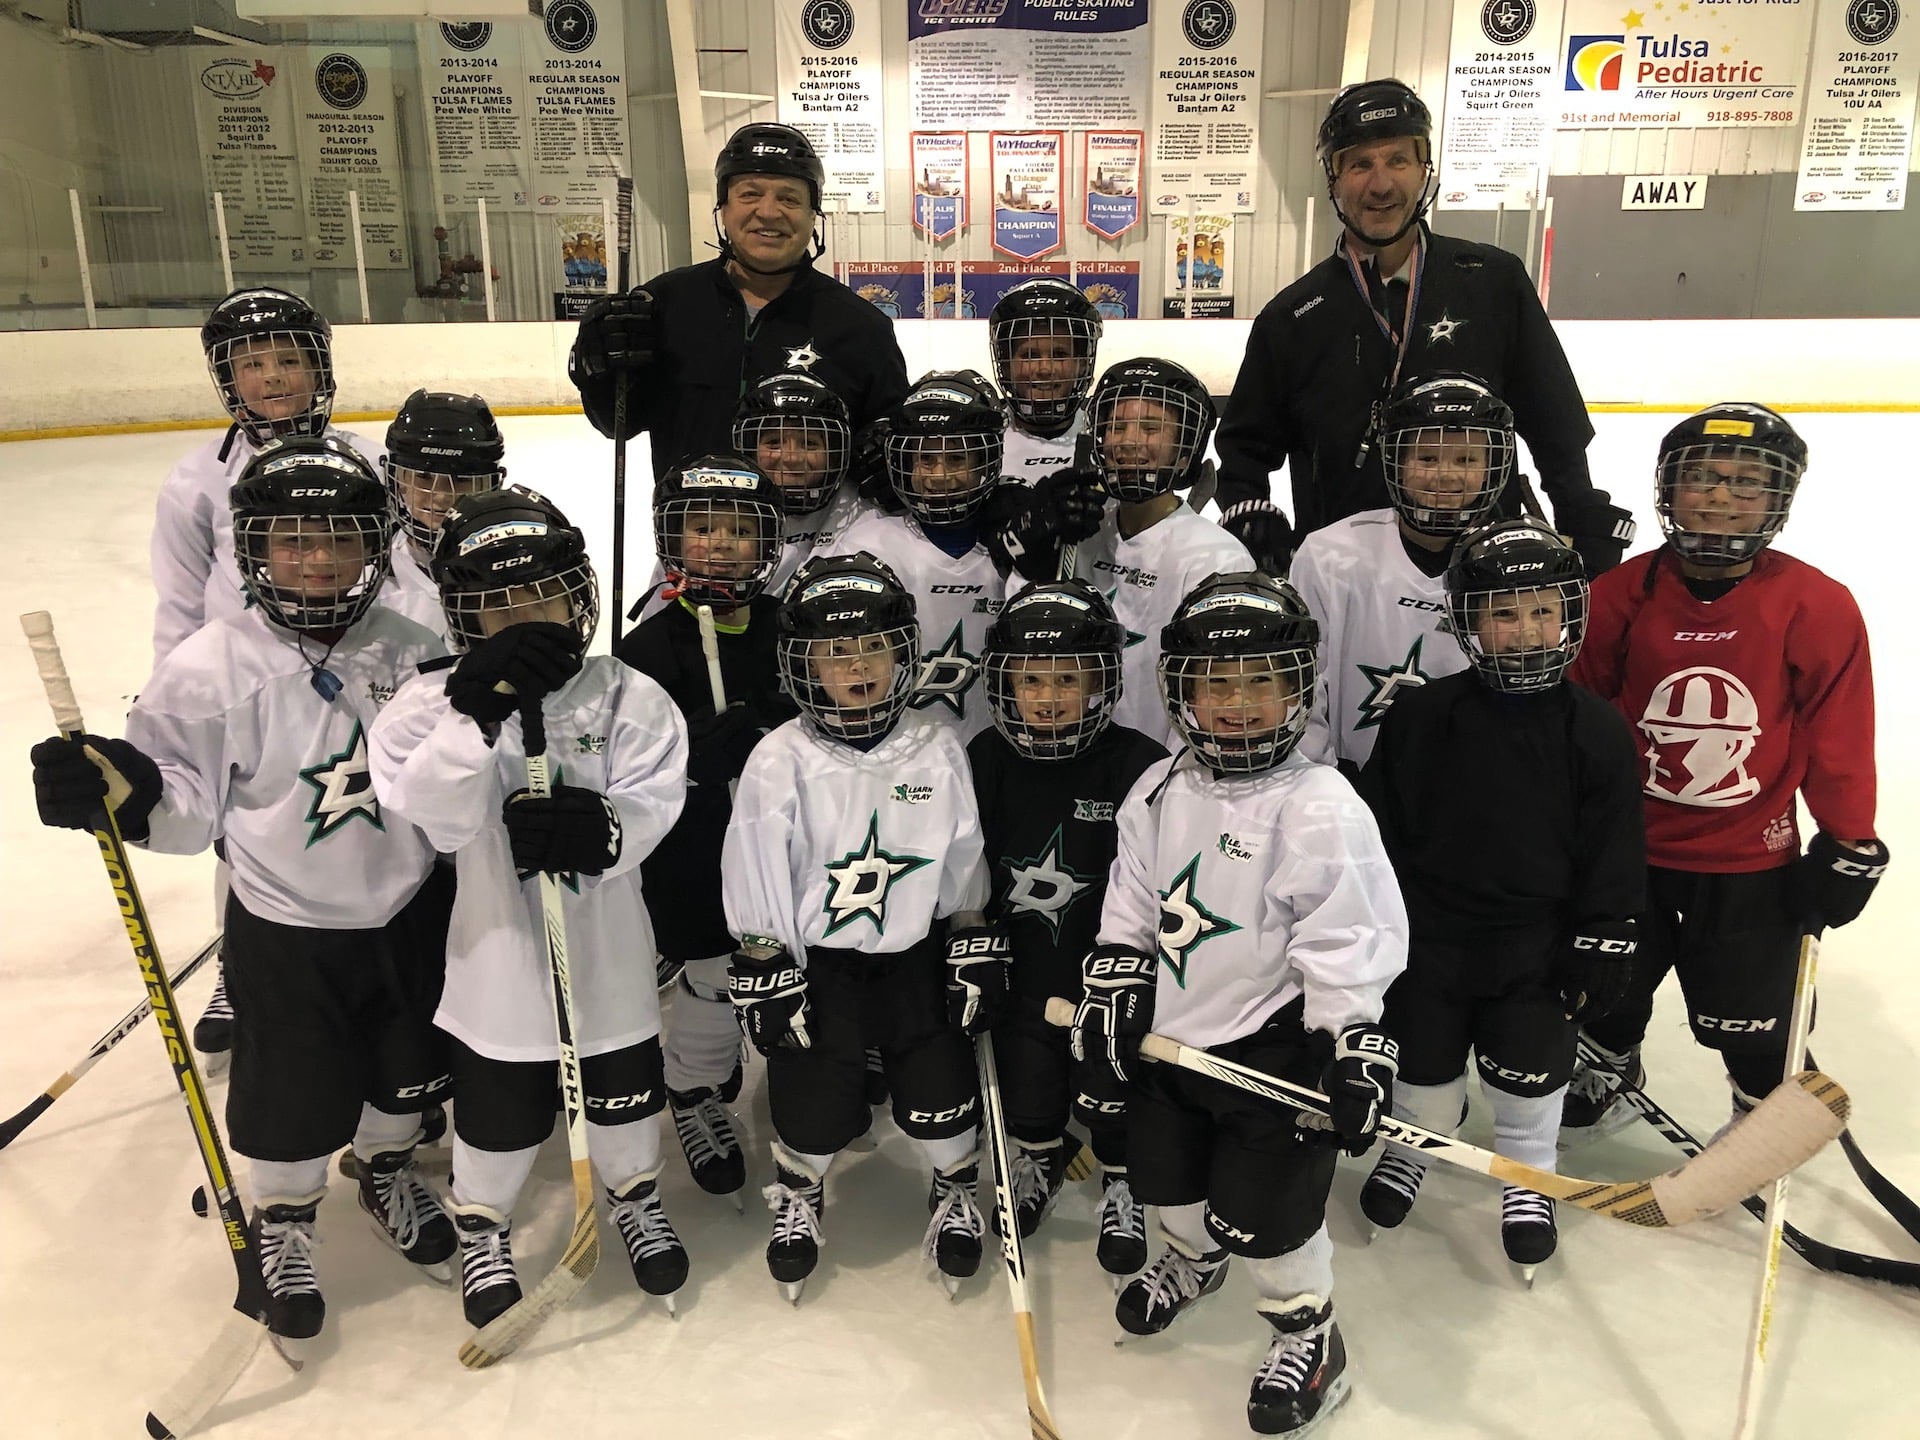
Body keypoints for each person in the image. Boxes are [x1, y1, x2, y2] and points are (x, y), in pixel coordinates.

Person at [32, 436, 455, 1341]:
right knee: (290, 1087)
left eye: (337, 538)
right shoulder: (206, 669)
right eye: (288, 540)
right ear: (252, 550)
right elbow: (187, 813)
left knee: (407, 1068)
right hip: (287, 925)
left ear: (374, 543)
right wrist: (127, 792)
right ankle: (288, 1215)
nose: (312, 559)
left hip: (412, 910)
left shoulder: (416, 644)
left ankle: (383, 1169)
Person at [1074, 571, 1406, 1436]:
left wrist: (1350, 1039)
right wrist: (1115, 975)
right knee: (1172, 1193)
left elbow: (1346, 935)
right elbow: (1133, 900)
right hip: (1171, 1048)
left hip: (1270, 1055)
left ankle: (1309, 1332)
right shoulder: (1157, 790)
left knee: (1268, 1221)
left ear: (1300, 688)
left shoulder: (1319, 804)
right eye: (1215, 683)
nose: (1236, 702)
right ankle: (1193, 1262)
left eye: (1263, 680)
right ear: (1179, 690)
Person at [368, 486, 694, 1326]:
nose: (521, 619)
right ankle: (483, 1222)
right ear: (461, 617)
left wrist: (605, 832)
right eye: (496, 606)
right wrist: (475, 720)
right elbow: (432, 815)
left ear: (577, 596)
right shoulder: (429, 704)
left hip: (610, 957)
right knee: (499, 1116)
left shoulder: (626, 694)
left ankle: (631, 1195)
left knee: (624, 1097)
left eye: (540, 597)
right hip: (499, 963)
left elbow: (655, 797)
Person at [1559, 405, 1887, 1144]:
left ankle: (1753, 1102)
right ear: (1666, 490)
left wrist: (1849, 841)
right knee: (1607, 989)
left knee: (1750, 1016)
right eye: (1701, 478)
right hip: (1628, 853)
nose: (1717, 497)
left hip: (1748, 860)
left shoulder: (1815, 604)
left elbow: (1840, 734)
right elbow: (1581, 722)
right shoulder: (1619, 595)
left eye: (1746, 483)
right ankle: (1611, 1059)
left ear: (1778, 500)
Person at [1356, 519, 1643, 1280]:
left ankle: (1528, 1170)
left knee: (1528, 1067)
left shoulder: (1597, 731)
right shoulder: (1422, 716)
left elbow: (1613, 847)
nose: (1525, 631)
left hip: (1536, 945)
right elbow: (1380, 834)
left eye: (1543, 610)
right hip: (1432, 941)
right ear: (1468, 621)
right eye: (1504, 613)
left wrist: (1604, 929)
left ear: (1569, 615)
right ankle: (1415, 1143)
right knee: (1421, 1069)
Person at [1212, 79, 1635, 578]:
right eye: (1360, 163)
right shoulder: (1294, 315)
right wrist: (1248, 518)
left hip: (1482, 577)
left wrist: (1578, 505)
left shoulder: (1493, 282)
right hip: (1346, 583)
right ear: (1333, 177)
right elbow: (1244, 451)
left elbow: (1553, 418)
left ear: (1424, 170)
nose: (1381, 183)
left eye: (1397, 160)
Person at [720, 552, 997, 1302]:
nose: (858, 666)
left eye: (873, 647)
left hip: (914, 956)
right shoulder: (780, 759)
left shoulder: (937, 747)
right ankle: (802, 1191)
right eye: (836, 651)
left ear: (905, 652)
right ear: (801, 663)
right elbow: (754, 866)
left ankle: (952, 1184)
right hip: (822, 966)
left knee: (938, 1084)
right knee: (813, 1093)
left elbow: (962, 853)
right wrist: (762, 957)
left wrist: (970, 930)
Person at [151, 287, 385, 1065]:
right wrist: (177, 700)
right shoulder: (196, 483)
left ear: (320, 368)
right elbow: (180, 603)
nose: (273, 378)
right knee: (239, 827)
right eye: (251, 365)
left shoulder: (367, 461)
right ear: (227, 378)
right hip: (245, 684)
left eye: (290, 360)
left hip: (351, 668)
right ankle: (236, 961)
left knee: (360, 816)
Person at [968, 581, 1167, 1282]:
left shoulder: (1139, 764)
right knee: (1030, 1086)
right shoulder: (985, 759)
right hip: (1025, 971)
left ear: (1103, 680)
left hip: (1108, 979)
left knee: (1115, 1084)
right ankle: (1038, 1156)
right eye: (1029, 678)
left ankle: (1122, 1176)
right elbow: (966, 867)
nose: (1047, 695)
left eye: (1068, 677)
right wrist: (970, 939)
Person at [614, 457, 796, 1204]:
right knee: (716, 972)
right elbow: (621, 771)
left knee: (788, 963)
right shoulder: (646, 652)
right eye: (700, 528)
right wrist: (689, 757)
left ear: (767, 543)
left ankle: (810, 1080)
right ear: (672, 539)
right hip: (695, 851)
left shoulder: (793, 631)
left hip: (787, 846)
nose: (718, 544)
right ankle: (691, 1090)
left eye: (737, 530)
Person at [569, 123, 909, 480]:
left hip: (818, 535)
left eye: (789, 198)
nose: (769, 212)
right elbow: (616, 424)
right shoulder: (660, 305)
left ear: (813, 217)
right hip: (697, 530)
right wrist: (598, 370)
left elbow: (890, 445)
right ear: (724, 208)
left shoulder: (860, 326)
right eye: (750, 194)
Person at [998, 359, 1250, 749]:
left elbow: (1211, 694)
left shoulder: (1216, 557)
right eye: (1117, 426)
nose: (1130, 441)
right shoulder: (1078, 530)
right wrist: (1035, 560)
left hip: (1154, 770)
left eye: (1151, 427)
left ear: (1185, 454)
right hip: (1068, 757)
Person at [1290, 372, 1512, 776]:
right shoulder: (1330, 555)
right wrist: (1324, 789)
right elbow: (1304, 688)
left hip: (1474, 789)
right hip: (1351, 788)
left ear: (1491, 465)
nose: (1446, 475)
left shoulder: (1512, 567)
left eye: (1466, 459)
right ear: (1397, 460)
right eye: (1427, 458)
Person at [834, 370, 1010, 741]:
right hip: (900, 761)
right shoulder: (866, 545)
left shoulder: (1013, 545)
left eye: (957, 458)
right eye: (925, 460)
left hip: (1000, 757)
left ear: (986, 460)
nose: (939, 475)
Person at [380, 389, 508, 638]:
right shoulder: (369, 571)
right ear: (399, 480)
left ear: (490, 483)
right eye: (424, 477)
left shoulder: (513, 564)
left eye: (460, 479)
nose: (440, 495)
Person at [988, 276, 1100, 478]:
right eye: (1029, 355)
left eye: (1059, 355)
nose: (1044, 369)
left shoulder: (1106, 434)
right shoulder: (985, 437)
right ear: (1005, 364)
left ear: (1082, 364)